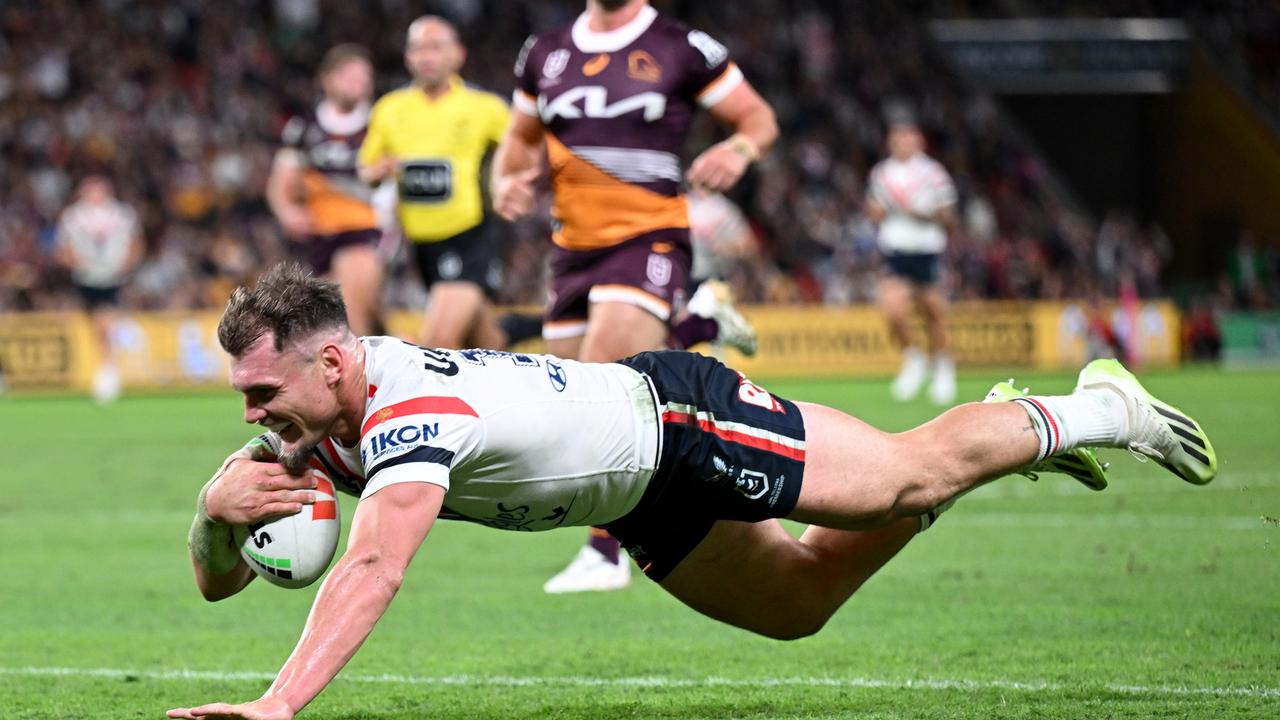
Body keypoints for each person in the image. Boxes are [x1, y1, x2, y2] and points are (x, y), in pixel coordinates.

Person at [169, 263, 1215, 719]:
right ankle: (992, 444)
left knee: (901, 473)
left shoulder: (403, 413)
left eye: (265, 390)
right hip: (630, 497)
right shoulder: (307, 423)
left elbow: (374, 563)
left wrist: (279, 703)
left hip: (679, 422)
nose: (254, 413)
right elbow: (221, 583)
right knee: (798, 606)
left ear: (336, 362)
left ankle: (1096, 408)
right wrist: (212, 522)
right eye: (244, 398)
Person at [491, 0, 777, 592]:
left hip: (649, 236)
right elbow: (518, 141)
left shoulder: (681, 46)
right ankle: (699, 324)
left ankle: (605, 554)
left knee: (605, 390)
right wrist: (506, 180)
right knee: (566, 403)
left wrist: (738, 150)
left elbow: (757, 119)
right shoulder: (543, 53)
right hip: (571, 250)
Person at [358, 16, 514, 350]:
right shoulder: (390, 109)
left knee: (438, 342)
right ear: (407, 57)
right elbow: (366, 167)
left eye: (435, 47)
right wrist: (376, 172)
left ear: (458, 54)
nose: (425, 56)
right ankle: (527, 329)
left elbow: (525, 148)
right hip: (420, 245)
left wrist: (508, 180)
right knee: (487, 342)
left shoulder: (484, 107)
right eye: (417, 48)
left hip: (469, 235)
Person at [266, 44, 386, 338]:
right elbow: (281, 181)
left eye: (364, 77)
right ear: (327, 79)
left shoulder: (382, 123)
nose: (358, 83)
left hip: (368, 229)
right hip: (321, 233)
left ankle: (357, 380)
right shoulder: (304, 128)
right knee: (352, 316)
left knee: (348, 310)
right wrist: (287, 211)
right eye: (349, 76)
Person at [865, 110, 959, 405]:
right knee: (893, 310)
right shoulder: (882, 173)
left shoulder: (933, 174)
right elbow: (873, 209)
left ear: (918, 140)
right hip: (896, 251)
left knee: (933, 313)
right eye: (897, 136)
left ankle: (943, 368)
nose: (902, 141)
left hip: (927, 250)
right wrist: (876, 212)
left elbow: (949, 216)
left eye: (907, 136)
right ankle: (913, 358)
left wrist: (925, 214)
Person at [54, 176, 144, 403]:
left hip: (110, 276)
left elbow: (135, 242)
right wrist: (74, 262)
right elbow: (62, 248)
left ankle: (108, 369)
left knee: (104, 319)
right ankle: (107, 364)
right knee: (95, 323)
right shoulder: (74, 216)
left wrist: (128, 263)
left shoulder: (121, 214)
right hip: (86, 276)